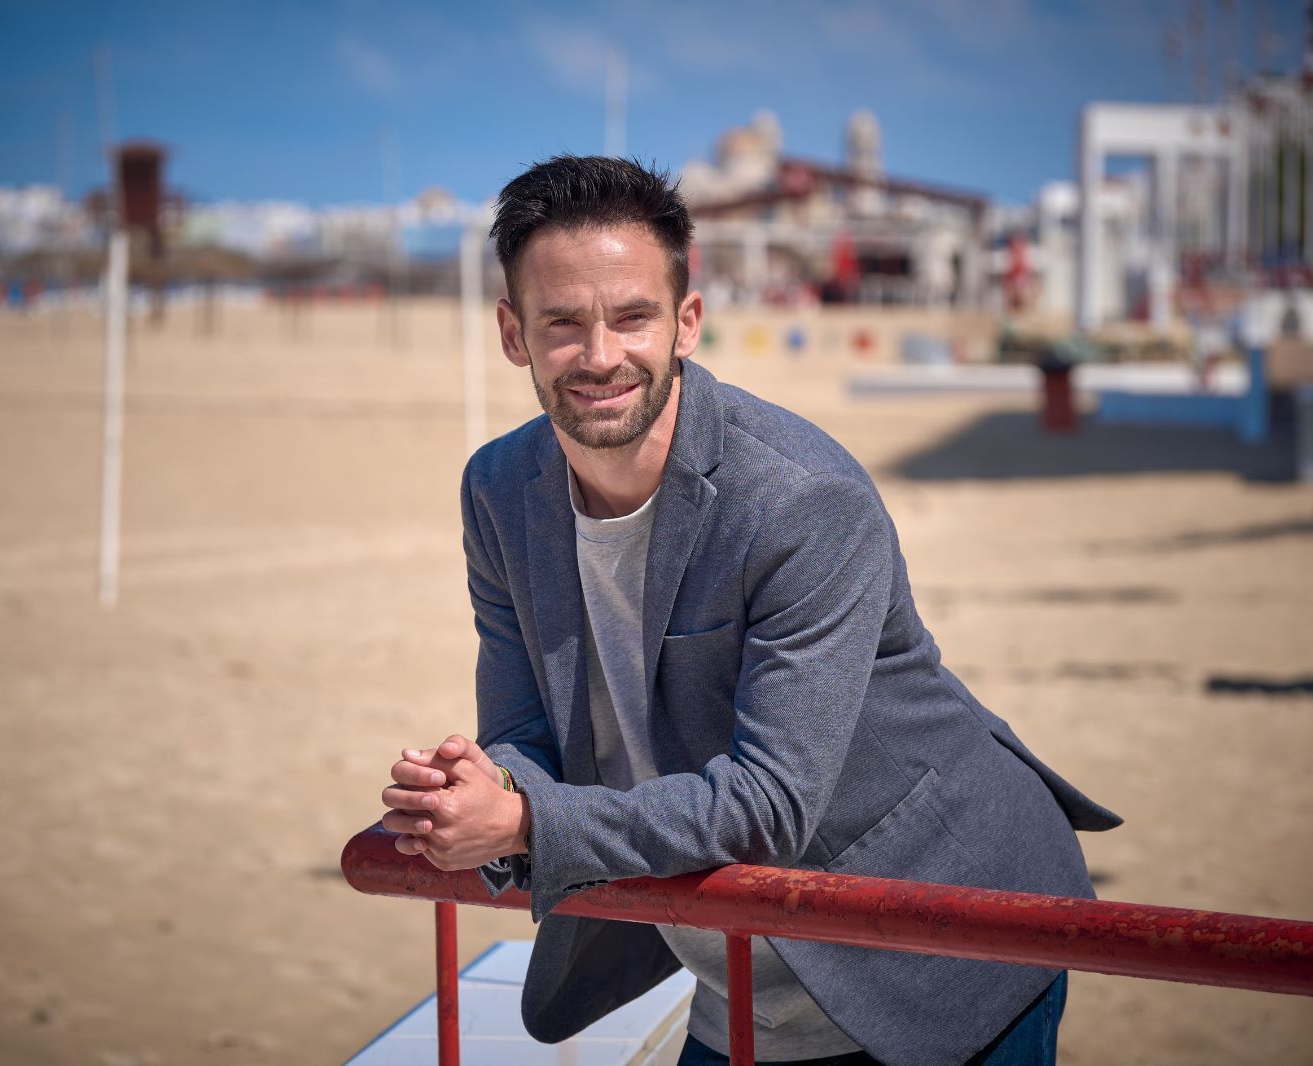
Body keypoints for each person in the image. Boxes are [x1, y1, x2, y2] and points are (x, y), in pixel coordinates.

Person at [380, 156, 1121, 1066]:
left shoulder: (801, 502)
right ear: (512, 332)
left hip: (940, 940)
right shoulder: (499, 489)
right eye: (563, 323)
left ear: (687, 322)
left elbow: (770, 803)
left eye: (633, 316)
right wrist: (486, 785)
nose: (601, 354)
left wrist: (530, 824)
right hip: (735, 962)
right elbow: (527, 727)